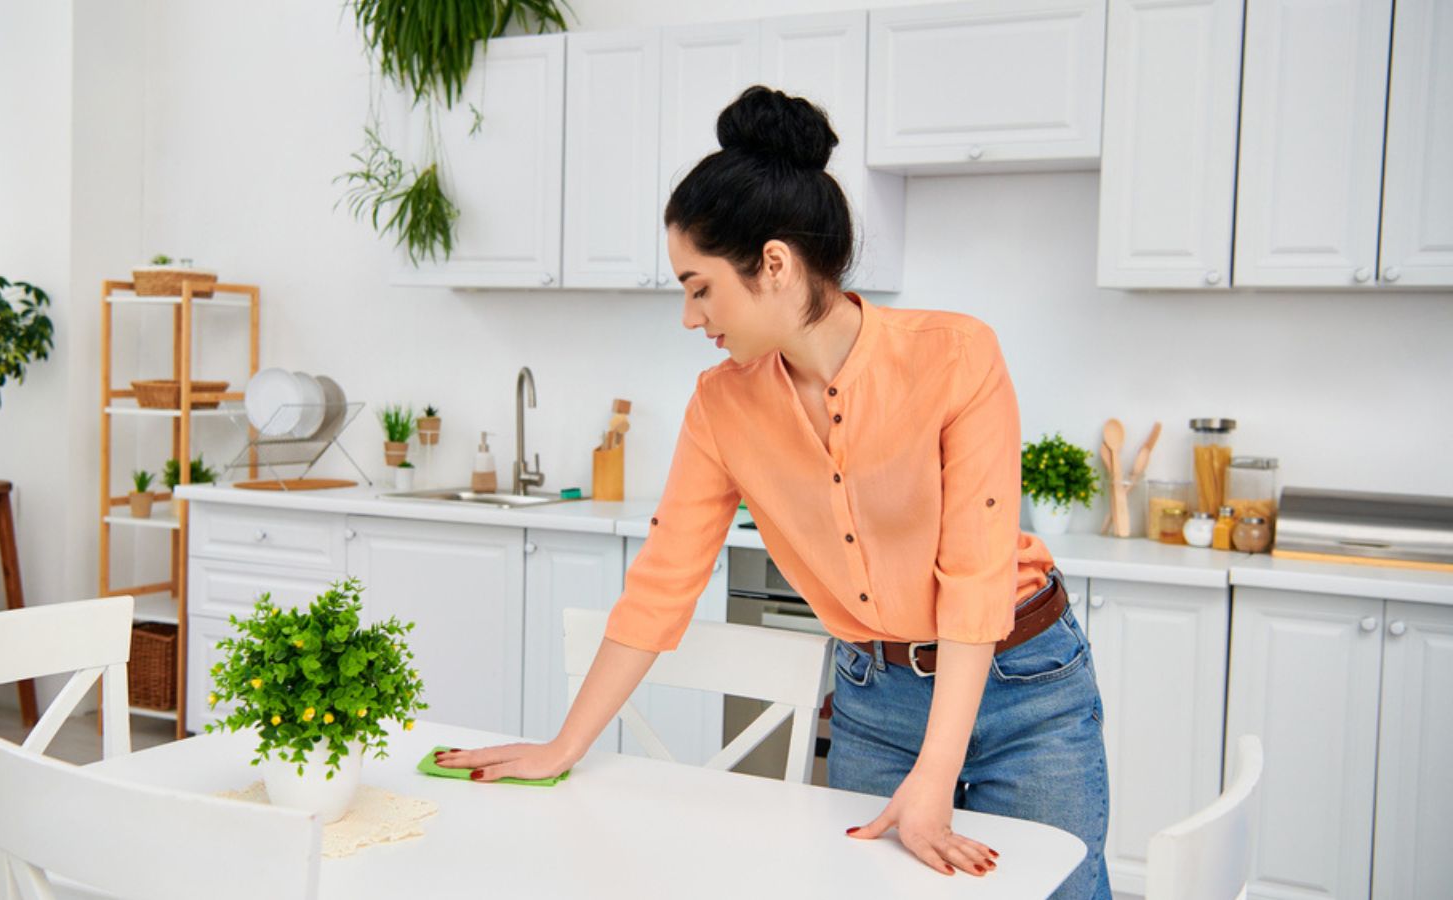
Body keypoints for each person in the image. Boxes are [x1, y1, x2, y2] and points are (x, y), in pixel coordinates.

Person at [434, 85, 1111, 898]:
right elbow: (662, 584)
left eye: (700, 286)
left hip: (1022, 692)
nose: (691, 317)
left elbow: (972, 585)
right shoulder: (720, 406)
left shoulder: (957, 357)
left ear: (776, 264)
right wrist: (561, 747)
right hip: (874, 699)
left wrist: (935, 778)